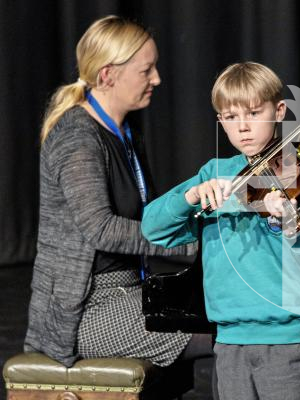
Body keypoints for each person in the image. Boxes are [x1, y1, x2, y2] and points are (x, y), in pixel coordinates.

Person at [24, 15, 212, 368]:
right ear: (108, 75)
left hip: (132, 290)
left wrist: (207, 217)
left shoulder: (126, 131)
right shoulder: (77, 136)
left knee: (240, 313)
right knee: (227, 329)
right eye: (146, 70)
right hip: (86, 310)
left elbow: (152, 213)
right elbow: (101, 229)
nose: (157, 78)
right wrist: (191, 241)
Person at [141, 62, 300, 399]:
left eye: (254, 113)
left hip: (286, 342)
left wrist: (288, 225)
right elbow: (153, 228)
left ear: (279, 111)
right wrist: (190, 197)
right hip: (228, 340)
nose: (243, 127)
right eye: (231, 117)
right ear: (221, 122)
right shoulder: (216, 175)